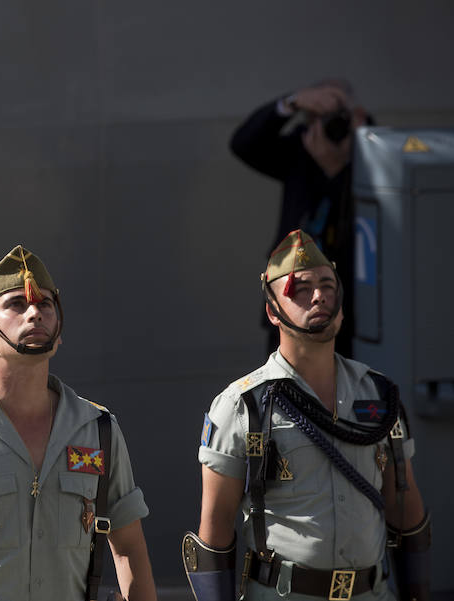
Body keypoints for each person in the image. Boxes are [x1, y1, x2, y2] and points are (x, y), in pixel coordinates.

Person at [0, 245, 158, 601]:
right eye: (16, 304)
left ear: (59, 330)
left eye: (45, 305)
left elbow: (129, 551)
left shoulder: (99, 430)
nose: (34, 313)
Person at [183, 230, 430, 601]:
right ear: (272, 311)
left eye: (328, 286)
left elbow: (407, 514)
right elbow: (214, 538)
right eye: (300, 288)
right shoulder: (242, 406)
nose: (318, 296)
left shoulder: (379, 396)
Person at [230, 80, 372, 357]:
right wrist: (290, 102)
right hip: (292, 304)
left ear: (356, 115)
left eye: (338, 114)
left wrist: (339, 168)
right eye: (319, 116)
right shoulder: (300, 149)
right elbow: (243, 144)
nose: (331, 126)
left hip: (353, 311)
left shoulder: (372, 154)